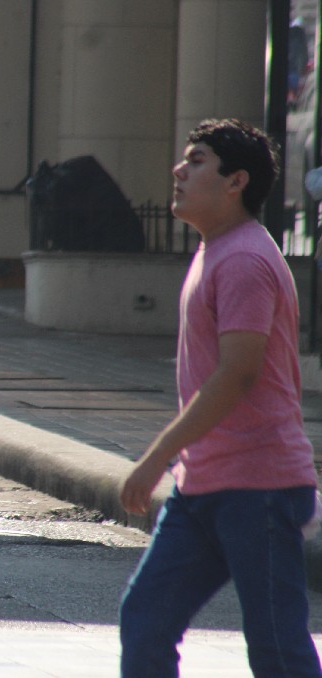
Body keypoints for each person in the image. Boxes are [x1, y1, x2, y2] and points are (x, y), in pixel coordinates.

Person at [118, 119, 322, 677]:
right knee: (145, 623)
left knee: (278, 649)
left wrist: (157, 454)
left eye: (198, 160)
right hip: (205, 485)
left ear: (236, 181)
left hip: (260, 487)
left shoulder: (245, 261)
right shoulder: (217, 251)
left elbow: (238, 375)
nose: (180, 171)